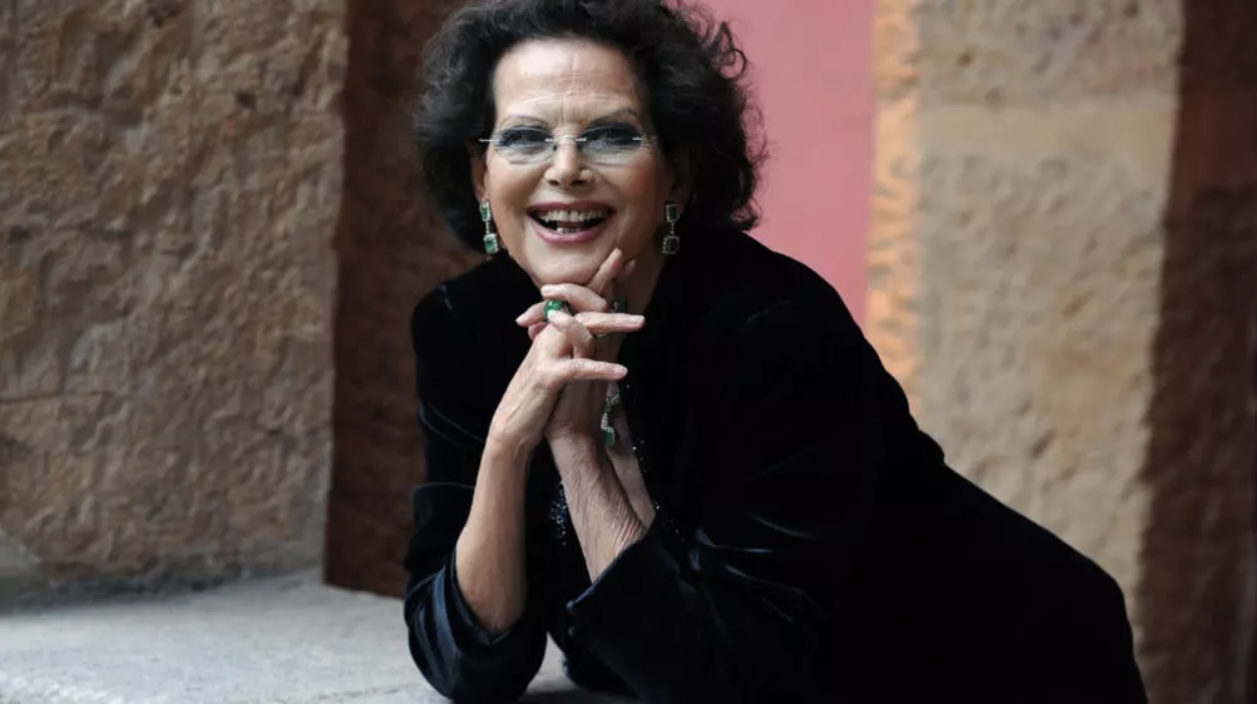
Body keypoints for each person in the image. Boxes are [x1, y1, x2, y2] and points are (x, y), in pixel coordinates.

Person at [401, 0, 1148, 701]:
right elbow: (469, 668)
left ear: (676, 175)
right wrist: (507, 443)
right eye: (525, 137)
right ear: (481, 176)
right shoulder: (463, 327)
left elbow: (731, 682)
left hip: (987, 669)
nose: (566, 167)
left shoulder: (775, 331)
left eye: (612, 135)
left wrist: (575, 443)